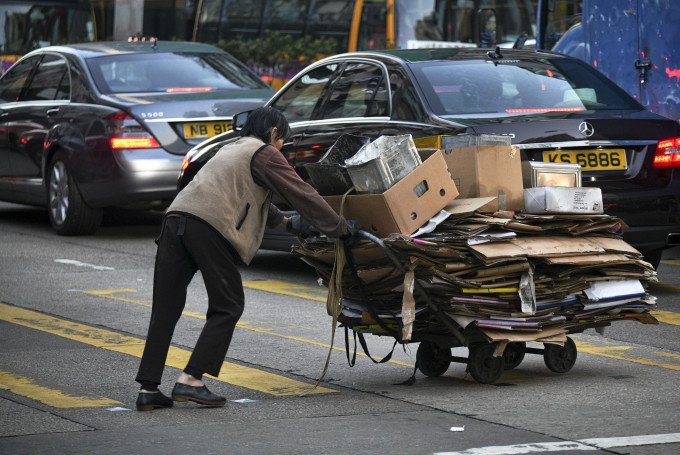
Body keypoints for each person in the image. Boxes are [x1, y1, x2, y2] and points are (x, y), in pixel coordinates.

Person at [135, 107, 361, 411]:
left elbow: (242, 195)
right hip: (207, 227)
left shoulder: (231, 148)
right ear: (273, 134)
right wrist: (340, 229)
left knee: (166, 308)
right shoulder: (265, 152)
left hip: (175, 221)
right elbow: (301, 193)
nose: (282, 147)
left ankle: (148, 389)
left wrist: (287, 223)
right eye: (283, 140)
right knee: (228, 304)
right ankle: (191, 380)